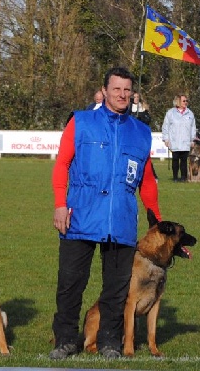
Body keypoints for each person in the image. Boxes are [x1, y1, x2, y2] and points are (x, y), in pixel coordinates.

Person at [50, 67, 161, 360]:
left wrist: (156, 218)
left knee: (116, 287)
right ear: (104, 90)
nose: (122, 95)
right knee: (71, 282)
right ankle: (65, 339)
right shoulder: (81, 121)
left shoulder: (141, 132)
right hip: (80, 214)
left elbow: (147, 180)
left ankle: (110, 340)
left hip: (121, 218)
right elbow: (62, 164)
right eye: (117, 89)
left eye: (127, 90)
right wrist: (60, 203)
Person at [162, 94, 196, 182]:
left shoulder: (190, 113)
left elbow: (193, 127)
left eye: (186, 101)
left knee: (184, 160)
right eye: (184, 101)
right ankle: (175, 177)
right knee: (175, 159)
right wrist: (166, 139)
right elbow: (165, 126)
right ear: (178, 101)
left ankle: (183, 177)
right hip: (175, 141)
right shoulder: (170, 113)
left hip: (185, 141)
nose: (186, 102)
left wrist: (192, 139)